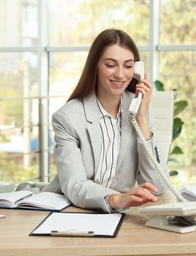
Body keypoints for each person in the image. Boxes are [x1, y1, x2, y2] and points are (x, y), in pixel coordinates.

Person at [43, 28, 169, 213]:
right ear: (95, 66)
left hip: (119, 215)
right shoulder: (68, 118)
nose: (120, 74)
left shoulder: (139, 110)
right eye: (110, 65)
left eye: (128, 66)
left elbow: (158, 186)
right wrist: (116, 199)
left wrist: (142, 119)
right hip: (72, 210)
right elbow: (74, 184)